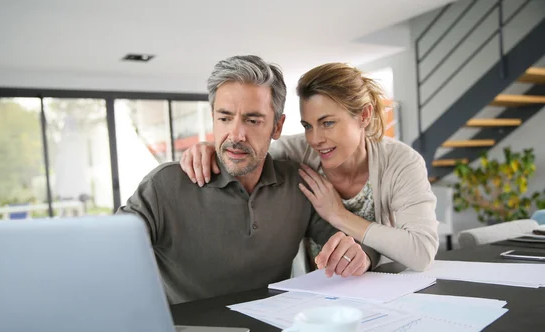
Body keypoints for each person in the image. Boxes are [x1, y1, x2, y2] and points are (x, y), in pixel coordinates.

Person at [118, 55, 379, 304]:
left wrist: (357, 255)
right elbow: (106, 252)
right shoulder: (165, 185)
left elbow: (352, 243)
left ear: (277, 126)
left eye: (252, 120)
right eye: (224, 118)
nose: (236, 134)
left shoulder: (297, 184)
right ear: (213, 119)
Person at [180, 62, 438, 272]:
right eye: (308, 126)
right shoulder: (296, 154)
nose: (315, 140)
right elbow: (246, 150)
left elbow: (421, 252)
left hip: (388, 288)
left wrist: (339, 215)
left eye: (327, 123)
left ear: (364, 115)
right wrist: (210, 147)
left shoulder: (401, 162)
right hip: (317, 293)